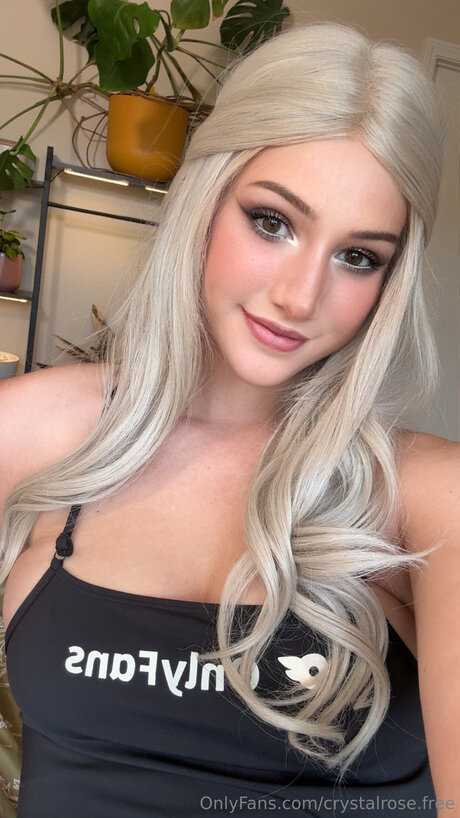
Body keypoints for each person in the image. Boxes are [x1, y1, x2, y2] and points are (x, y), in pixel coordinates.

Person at [0, 20, 458, 818]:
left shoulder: (429, 498)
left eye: (358, 257)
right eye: (273, 222)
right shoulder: (31, 431)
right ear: (206, 200)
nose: (300, 296)